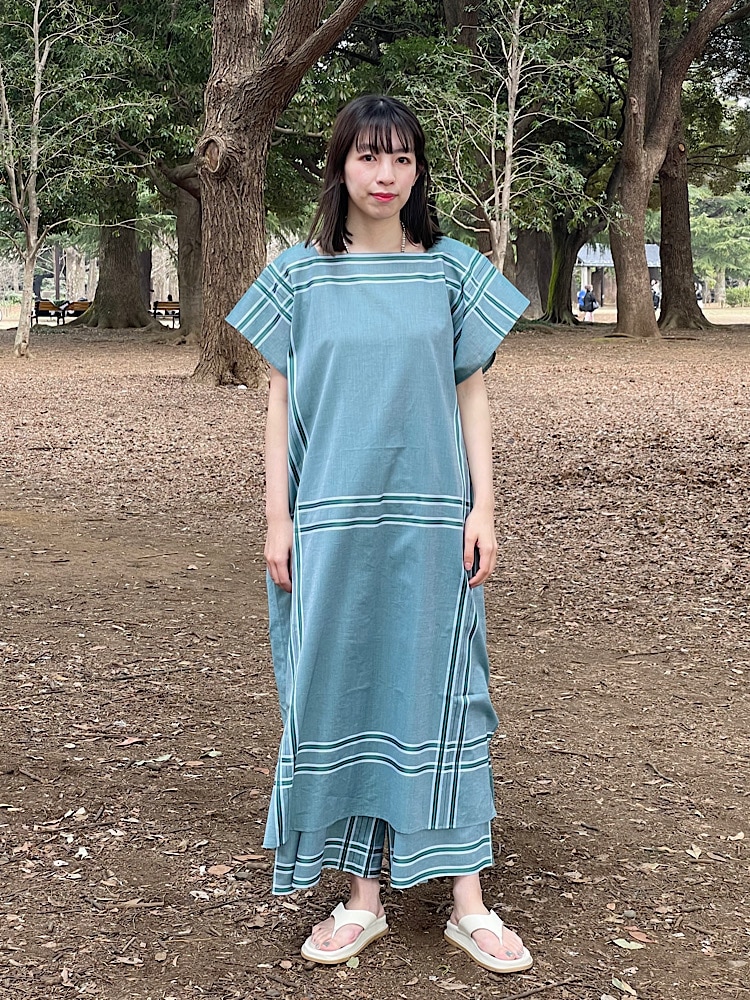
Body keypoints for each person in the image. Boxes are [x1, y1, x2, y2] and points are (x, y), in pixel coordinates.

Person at [227, 95, 532, 975]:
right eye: (368, 156)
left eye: (401, 158)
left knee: (448, 692)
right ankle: (362, 898)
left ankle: (468, 900)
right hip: (331, 523)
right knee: (345, 690)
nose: (386, 175)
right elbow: (281, 403)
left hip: (434, 522)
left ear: (418, 170)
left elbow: (471, 392)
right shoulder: (297, 278)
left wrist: (484, 506)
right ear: (340, 168)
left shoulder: (451, 272)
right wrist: (278, 518)